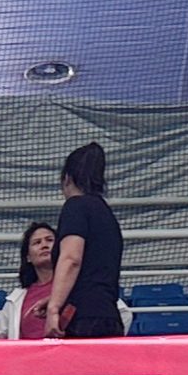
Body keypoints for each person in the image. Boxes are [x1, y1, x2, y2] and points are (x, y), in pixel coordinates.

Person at [46, 144, 125, 338]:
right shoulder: (106, 214)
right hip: (108, 314)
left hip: (82, 319)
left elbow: (71, 258)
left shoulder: (75, 206)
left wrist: (53, 308)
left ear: (67, 178)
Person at [4, 220, 63, 340]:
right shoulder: (16, 299)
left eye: (49, 240)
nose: (44, 245)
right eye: (37, 242)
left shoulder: (76, 287)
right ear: (28, 257)